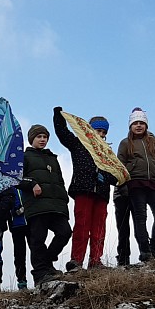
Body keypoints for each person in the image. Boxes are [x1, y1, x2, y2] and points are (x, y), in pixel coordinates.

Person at [54, 109, 119, 270]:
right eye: (98, 130)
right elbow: (63, 133)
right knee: (81, 226)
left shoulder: (107, 152)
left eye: (104, 132)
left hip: (102, 193)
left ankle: (95, 261)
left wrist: (106, 178)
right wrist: (58, 117)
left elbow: (116, 176)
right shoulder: (78, 144)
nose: (101, 134)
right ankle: (76, 260)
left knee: (99, 229)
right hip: (83, 189)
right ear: (90, 129)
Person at [117, 108, 155, 262]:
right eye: (135, 123)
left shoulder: (154, 142)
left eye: (142, 123)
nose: (139, 126)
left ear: (146, 125)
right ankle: (145, 250)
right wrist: (122, 186)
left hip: (154, 183)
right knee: (140, 217)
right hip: (135, 184)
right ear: (130, 126)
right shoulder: (125, 143)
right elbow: (119, 166)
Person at [20, 123, 71, 285]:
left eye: (45, 137)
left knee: (65, 232)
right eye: (39, 136)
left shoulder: (52, 158)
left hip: (56, 205)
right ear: (31, 139)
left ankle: (47, 262)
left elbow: (60, 181)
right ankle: (40, 274)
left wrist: (64, 200)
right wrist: (32, 183)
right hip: (36, 205)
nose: (42, 139)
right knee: (38, 240)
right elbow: (16, 178)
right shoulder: (24, 157)